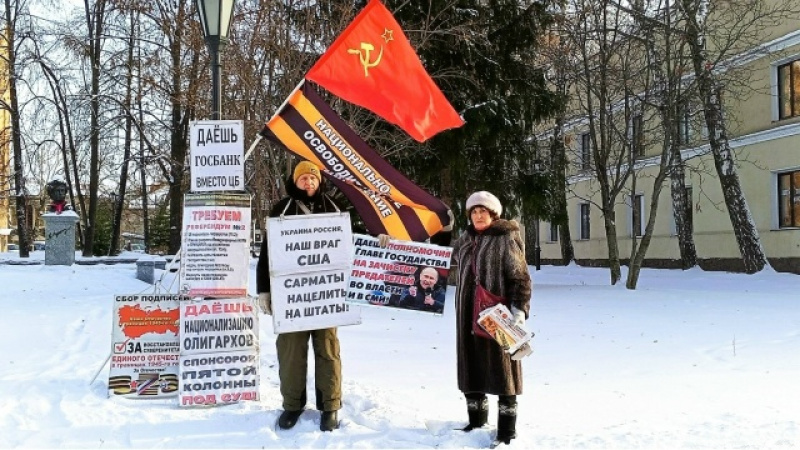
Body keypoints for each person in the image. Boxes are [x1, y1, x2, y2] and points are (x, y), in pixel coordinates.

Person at [256, 161, 344, 432]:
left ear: (319, 181)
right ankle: (292, 404)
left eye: (313, 178)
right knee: (291, 351)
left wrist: (380, 240)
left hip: (324, 294)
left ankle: (330, 406)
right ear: (295, 181)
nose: (308, 182)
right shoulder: (280, 210)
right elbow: (268, 253)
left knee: (328, 350)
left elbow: (349, 248)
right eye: (304, 177)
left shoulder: (335, 209)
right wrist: (264, 290)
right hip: (290, 295)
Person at [450, 191, 531, 447]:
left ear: (494, 214)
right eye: (474, 211)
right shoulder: (464, 240)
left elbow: (520, 276)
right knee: (471, 367)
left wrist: (519, 309)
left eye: (483, 211)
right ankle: (476, 423)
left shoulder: (506, 237)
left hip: (497, 315)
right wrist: (392, 245)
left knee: (504, 372)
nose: (478, 215)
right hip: (466, 315)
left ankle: (507, 432)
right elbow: (434, 259)